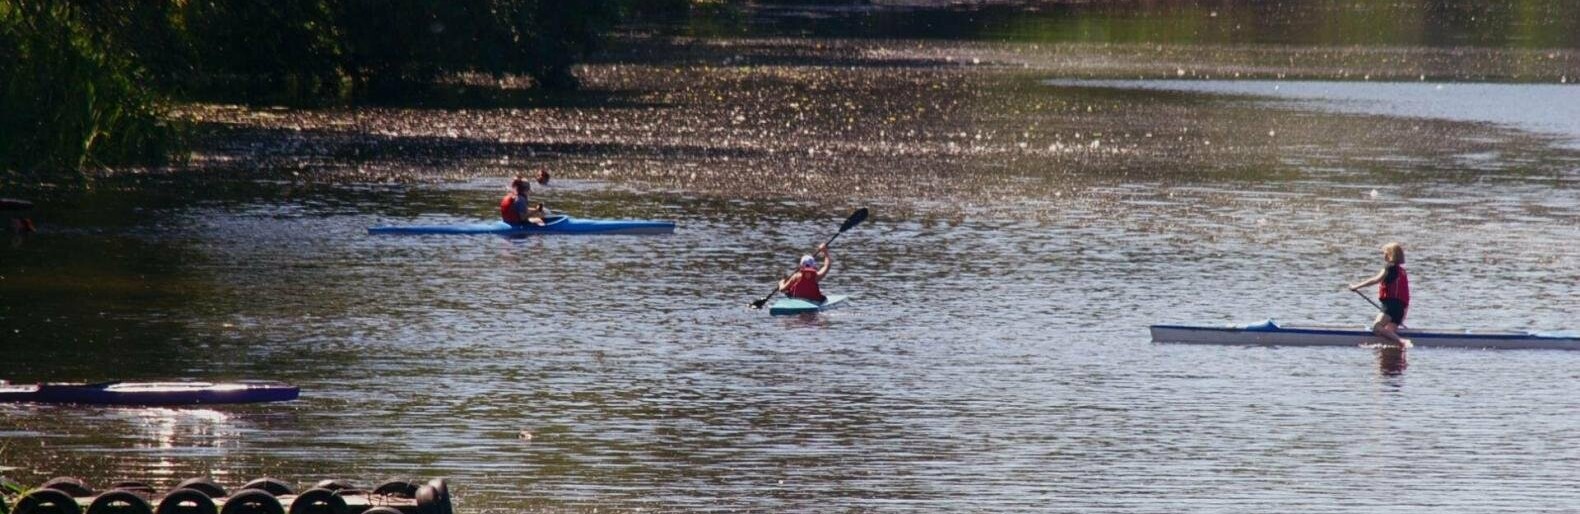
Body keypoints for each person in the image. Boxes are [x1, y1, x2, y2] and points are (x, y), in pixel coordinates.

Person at [1349, 242, 1411, 348]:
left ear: (1391, 254)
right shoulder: (1402, 272)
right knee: (1387, 334)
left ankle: (1402, 341)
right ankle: (1396, 345)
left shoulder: (1389, 268)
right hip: (1399, 310)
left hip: (1390, 307)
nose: (1384, 256)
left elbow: (1375, 280)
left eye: (1385, 253)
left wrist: (1356, 286)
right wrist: (1403, 314)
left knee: (1377, 327)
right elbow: (1406, 296)